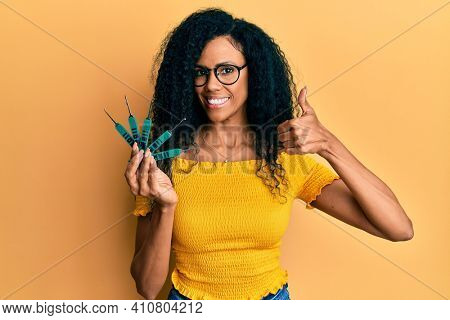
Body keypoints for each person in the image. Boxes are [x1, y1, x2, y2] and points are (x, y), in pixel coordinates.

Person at [126, 8, 414, 300]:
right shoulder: (162, 159)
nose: (212, 85)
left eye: (227, 70)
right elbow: (147, 288)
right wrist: (165, 207)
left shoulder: (283, 160)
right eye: (200, 72)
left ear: (255, 73)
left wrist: (329, 144)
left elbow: (398, 228)